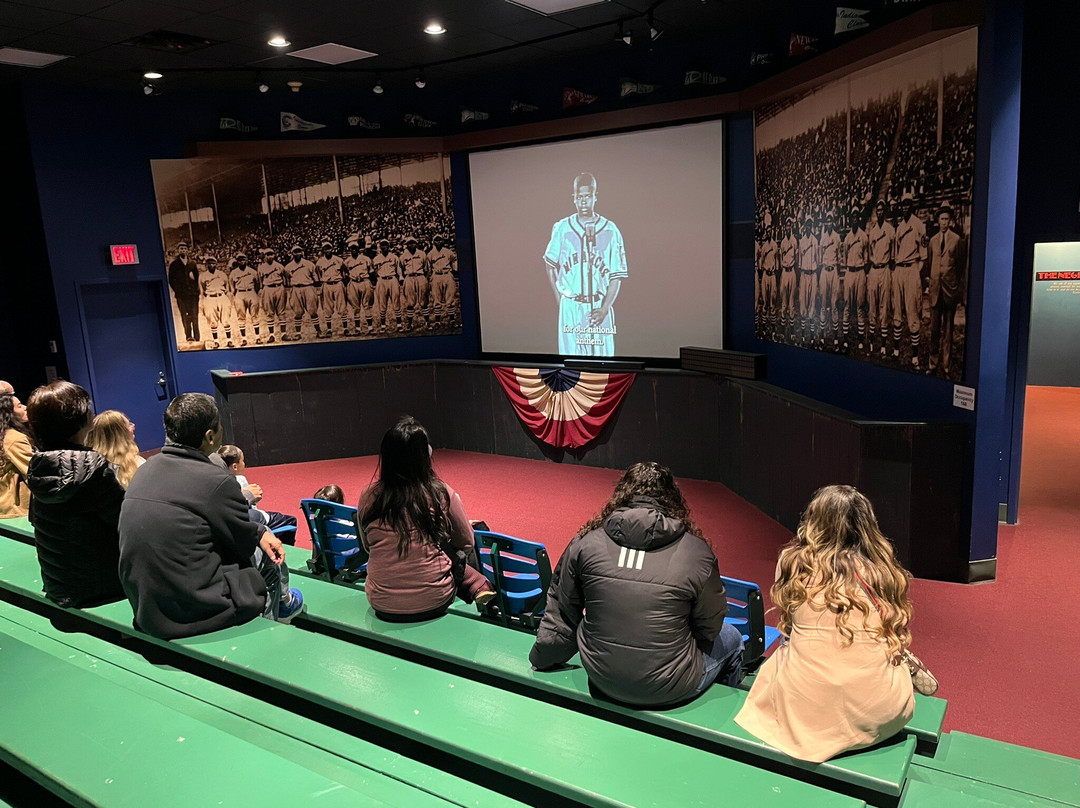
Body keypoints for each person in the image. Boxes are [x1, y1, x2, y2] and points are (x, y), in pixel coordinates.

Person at [529, 461, 743, 708]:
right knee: (733, 637)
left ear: (621, 496)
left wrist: (542, 657)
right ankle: (720, 726)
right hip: (671, 687)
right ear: (672, 499)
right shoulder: (697, 552)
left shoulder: (586, 542)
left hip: (602, 678)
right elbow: (710, 626)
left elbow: (561, 612)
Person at [734, 485, 915, 763]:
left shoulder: (793, 563)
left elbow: (790, 627)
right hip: (879, 713)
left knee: (785, 653)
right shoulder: (885, 571)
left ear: (814, 521)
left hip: (809, 715)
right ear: (867, 524)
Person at [118, 393, 303, 639]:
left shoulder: (144, 470)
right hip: (191, 613)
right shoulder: (217, 481)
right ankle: (269, 631)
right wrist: (259, 533)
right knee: (266, 558)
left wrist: (256, 532)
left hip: (147, 608)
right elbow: (240, 544)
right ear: (210, 436)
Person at [358, 416, 495, 621]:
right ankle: (474, 584)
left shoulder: (368, 496)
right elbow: (466, 543)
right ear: (425, 456)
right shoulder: (442, 493)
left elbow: (367, 546)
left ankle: (472, 582)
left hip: (381, 601)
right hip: (435, 600)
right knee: (462, 543)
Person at [24, 381, 126, 607]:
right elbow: (125, 521)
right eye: (87, 407)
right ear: (78, 419)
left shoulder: (39, 464)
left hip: (60, 586)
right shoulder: (93, 467)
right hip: (101, 588)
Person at [544, 172, 628, 357]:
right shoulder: (562, 228)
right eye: (580, 197)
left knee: (604, 366)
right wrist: (561, 302)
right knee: (571, 366)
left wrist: (605, 308)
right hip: (571, 305)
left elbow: (616, 275)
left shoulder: (610, 230)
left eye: (588, 196)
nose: (583, 202)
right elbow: (550, 265)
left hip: (599, 305)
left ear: (595, 197)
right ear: (574, 199)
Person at [218, 443, 298, 541]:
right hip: (251, 518)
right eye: (242, 461)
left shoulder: (217, 481)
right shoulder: (240, 479)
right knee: (291, 520)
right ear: (235, 466)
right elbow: (253, 504)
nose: (244, 464)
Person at [927, 203, 967, 376]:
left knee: (948, 330)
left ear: (950, 221)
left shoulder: (957, 240)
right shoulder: (932, 241)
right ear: (937, 221)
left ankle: (946, 365)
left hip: (949, 291)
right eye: (941, 219)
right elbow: (930, 264)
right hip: (936, 291)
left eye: (946, 219)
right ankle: (932, 363)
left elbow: (959, 266)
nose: (944, 222)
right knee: (934, 329)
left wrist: (955, 286)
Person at [892, 193, 926, 368]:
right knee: (897, 309)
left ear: (912, 206)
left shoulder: (919, 225)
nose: (905, 207)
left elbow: (923, 256)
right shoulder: (899, 227)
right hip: (899, 269)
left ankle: (915, 355)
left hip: (912, 268)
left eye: (908, 204)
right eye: (903, 204)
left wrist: (914, 273)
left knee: (912, 312)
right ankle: (896, 349)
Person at [85, 409, 145, 489]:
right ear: (120, 434)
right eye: (129, 425)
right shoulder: (138, 464)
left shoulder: (88, 468)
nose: (133, 426)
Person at [866, 200, 895, 357]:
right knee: (872, 306)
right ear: (875, 213)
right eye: (878, 210)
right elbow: (870, 252)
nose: (880, 213)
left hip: (885, 270)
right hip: (874, 269)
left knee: (884, 307)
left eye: (882, 210)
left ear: (885, 211)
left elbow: (893, 253)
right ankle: (871, 343)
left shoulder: (890, 230)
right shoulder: (872, 230)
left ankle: (883, 346)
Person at [0, 392, 33, 519]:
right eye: (19, 406)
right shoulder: (14, 438)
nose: (25, 407)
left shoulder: (4, 436)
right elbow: (33, 470)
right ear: (9, 414)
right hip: (15, 509)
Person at [167, 241, 201, 347]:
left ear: (187, 250)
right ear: (178, 250)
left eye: (185, 248)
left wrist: (195, 289)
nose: (183, 250)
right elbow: (171, 280)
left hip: (193, 295)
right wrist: (178, 290)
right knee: (185, 317)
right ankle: (188, 336)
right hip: (181, 296)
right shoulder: (174, 264)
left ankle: (197, 337)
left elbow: (197, 278)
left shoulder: (192, 263)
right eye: (181, 248)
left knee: (194, 316)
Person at [198, 255, 233, 349]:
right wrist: (202, 303)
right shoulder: (203, 276)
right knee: (212, 321)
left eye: (213, 263)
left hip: (222, 296)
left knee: (226, 320)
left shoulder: (222, 274)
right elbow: (202, 290)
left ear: (216, 264)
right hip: (210, 297)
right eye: (209, 263)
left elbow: (227, 287)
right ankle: (216, 342)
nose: (211, 265)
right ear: (206, 265)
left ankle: (229, 340)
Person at [228, 251, 263, 346]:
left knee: (255, 316)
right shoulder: (233, 273)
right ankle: (244, 339)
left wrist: (254, 292)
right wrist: (235, 293)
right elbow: (231, 285)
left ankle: (257, 337)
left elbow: (257, 284)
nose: (242, 261)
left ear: (246, 260)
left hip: (251, 292)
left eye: (243, 259)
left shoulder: (252, 271)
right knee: (241, 317)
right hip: (240, 293)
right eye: (240, 260)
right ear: (237, 261)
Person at [256, 247, 289, 344]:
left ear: (274, 255)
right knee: (269, 312)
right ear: (264, 256)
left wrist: (285, 288)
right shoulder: (261, 267)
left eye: (271, 254)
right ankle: (271, 335)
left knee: (281, 312)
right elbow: (260, 280)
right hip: (267, 288)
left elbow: (285, 277)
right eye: (267, 255)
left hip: (279, 287)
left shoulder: (279, 266)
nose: (269, 256)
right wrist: (261, 289)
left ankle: (283, 334)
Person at [400, 235, 431, 330]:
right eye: (409, 243)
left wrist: (424, 278)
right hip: (409, 277)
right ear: (407, 245)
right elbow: (401, 268)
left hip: (420, 276)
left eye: (413, 242)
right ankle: (410, 324)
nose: (411, 245)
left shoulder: (422, 254)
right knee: (410, 302)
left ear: (416, 243)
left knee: (423, 302)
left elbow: (426, 268)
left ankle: (428, 322)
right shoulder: (403, 256)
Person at [427, 234, 457, 328]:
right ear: (433, 242)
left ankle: (452, 320)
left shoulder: (448, 252)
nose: (438, 242)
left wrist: (454, 269)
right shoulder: (430, 254)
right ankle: (437, 322)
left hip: (447, 274)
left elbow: (454, 262)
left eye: (440, 240)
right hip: (436, 275)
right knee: (436, 299)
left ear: (443, 241)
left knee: (450, 298)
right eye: (436, 240)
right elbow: (428, 268)